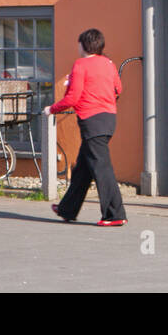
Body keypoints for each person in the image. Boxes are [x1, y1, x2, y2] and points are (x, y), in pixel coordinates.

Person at [50, 28, 127, 226]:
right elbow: (118, 89)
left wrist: (52, 109)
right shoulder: (108, 63)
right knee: (83, 168)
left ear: (83, 45)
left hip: (91, 121)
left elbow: (73, 97)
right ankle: (67, 208)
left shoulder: (81, 64)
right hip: (108, 118)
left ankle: (114, 214)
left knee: (102, 168)